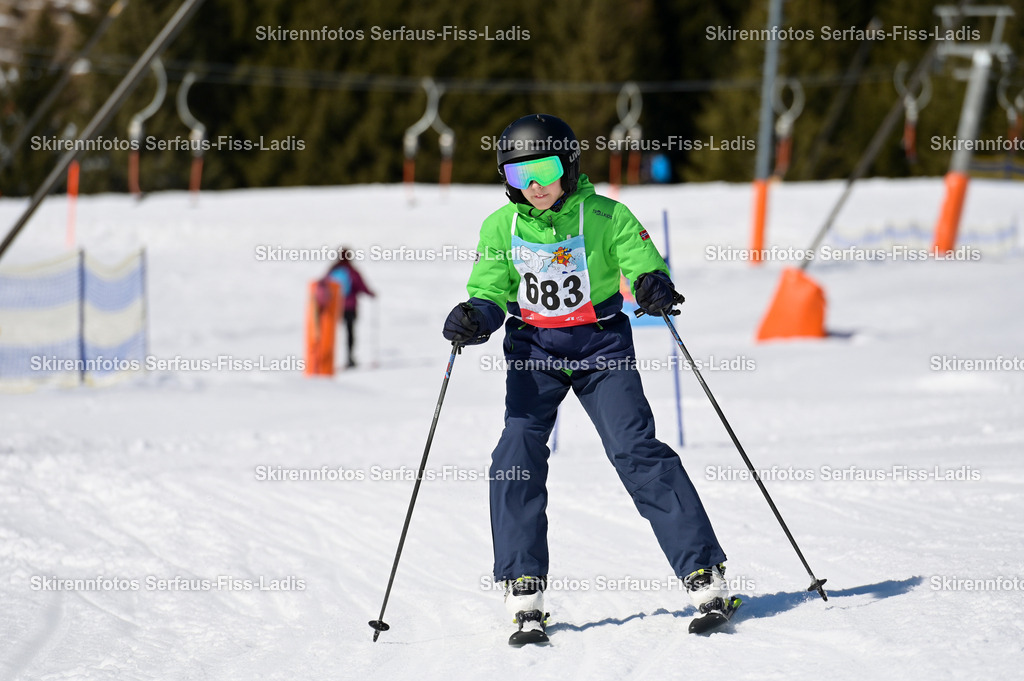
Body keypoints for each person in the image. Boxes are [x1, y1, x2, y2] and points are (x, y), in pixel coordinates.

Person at [442, 114, 733, 646]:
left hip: (601, 345)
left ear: (569, 165)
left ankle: (703, 573)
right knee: (515, 451)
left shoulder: (606, 214)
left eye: (545, 168)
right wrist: (475, 316)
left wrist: (651, 283)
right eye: (518, 175)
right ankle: (522, 583)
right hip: (534, 348)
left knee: (635, 449)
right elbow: (490, 287)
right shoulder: (499, 227)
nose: (534, 185)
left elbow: (641, 257)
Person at [325, 249, 375, 368]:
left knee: (330, 333)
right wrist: (371, 294)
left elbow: (323, 286)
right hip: (350, 306)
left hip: (333, 307)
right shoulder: (352, 271)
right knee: (350, 333)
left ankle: (326, 359)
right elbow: (361, 286)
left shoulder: (333, 270)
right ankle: (350, 358)